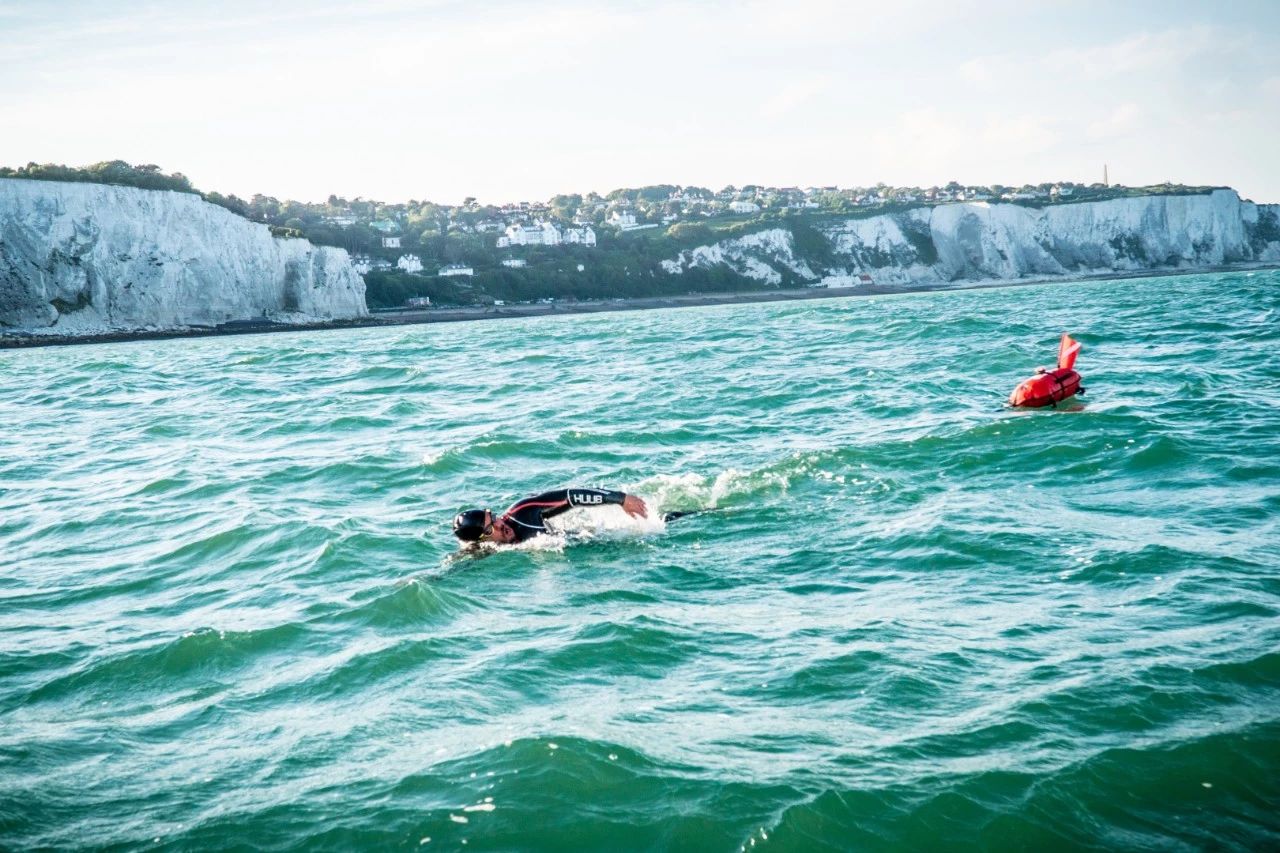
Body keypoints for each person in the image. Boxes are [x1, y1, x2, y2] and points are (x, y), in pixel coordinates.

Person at [453, 487, 649, 545]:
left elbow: (572, 496)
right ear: (482, 540)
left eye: (493, 517)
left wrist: (620, 499)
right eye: (490, 528)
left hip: (590, 539)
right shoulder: (484, 551)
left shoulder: (523, 511)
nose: (499, 524)